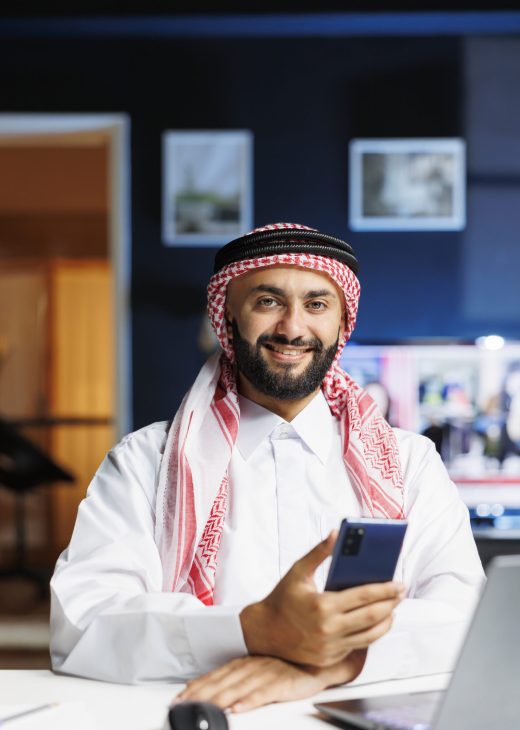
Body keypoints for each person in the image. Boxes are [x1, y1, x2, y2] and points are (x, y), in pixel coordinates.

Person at [50, 223, 484, 711]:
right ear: (229, 317)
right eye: (268, 301)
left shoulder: (410, 463)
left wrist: (333, 662)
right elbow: (83, 622)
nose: (293, 328)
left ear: (344, 323)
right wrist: (253, 630)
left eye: (317, 305)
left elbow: (468, 616)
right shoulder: (143, 463)